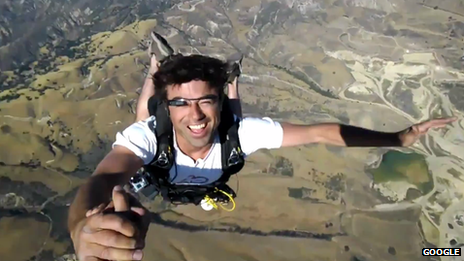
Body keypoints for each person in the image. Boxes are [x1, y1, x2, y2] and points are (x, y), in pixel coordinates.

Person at [68, 46, 457, 260]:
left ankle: (228, 80)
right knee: (148, 119)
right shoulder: (150, 136)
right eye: (183, 104)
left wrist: (399, 138)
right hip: (163, 170)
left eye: (206, 100)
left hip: (204, 168)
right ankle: (157, 70)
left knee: (234, 124)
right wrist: (79, 230)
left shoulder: (240, 133)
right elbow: (102, 180)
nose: (196, 115)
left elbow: (323, 133)